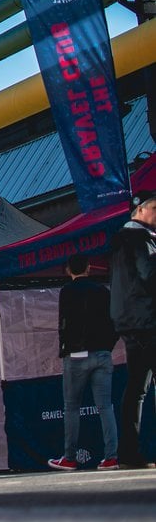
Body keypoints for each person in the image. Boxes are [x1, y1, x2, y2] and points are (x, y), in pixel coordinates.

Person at [49, 254, 119, 471]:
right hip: (102, 353)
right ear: (89, 268)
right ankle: (111, 456)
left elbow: (64, 323)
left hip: (77, 354)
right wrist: (108, 346)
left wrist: (65, 348)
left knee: (71, 407)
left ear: (69, 270)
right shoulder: (102, 291)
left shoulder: (67, 292)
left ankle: (69, 457)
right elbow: (114, 320)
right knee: (105, 406)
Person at [110, 189, 156, 469]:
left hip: (130, 323)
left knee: (136, 388)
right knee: (137, 387)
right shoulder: (140, 238)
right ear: (140, 210)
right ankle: (131, 451)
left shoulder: (117, 241)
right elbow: (149, 274)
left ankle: (129, 452)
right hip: (149, 320)